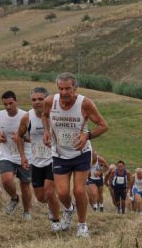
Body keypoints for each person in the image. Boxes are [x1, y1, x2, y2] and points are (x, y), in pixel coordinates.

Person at [42, 72, 108, 237]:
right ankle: (69, 209)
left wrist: (88, 135)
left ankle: (82, 225)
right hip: (59, 153)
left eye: (68, 89)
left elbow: (103, 125)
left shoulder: (85, 104)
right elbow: (44, 115)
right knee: (63, 193)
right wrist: (46, 131)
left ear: (75, 88)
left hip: (81, 153)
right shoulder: (50, 101)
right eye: (60, 89)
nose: (64, 93)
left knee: (79, 190)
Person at [16, 87, 61, 232]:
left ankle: (56, 220)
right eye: (34, 100)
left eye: (40, 99)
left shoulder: (55, 115)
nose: (37, 102)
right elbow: (18, 136)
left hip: (54, 158)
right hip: (36, 161)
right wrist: (23, 156)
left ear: (46, 100)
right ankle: (56, 206)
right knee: (41, 197)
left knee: (49, 192)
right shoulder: (27, 117)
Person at [0, 90, 32, 220]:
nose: (8, 107)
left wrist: (21, 138)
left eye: (10, 103)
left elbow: (34, 138)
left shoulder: (25, 116)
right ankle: (14, 198)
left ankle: (27, 212)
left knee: (25, 185)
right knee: (6, 180)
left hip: (25, 155)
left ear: (16, 101)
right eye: (5, 104)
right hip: (6, 154)